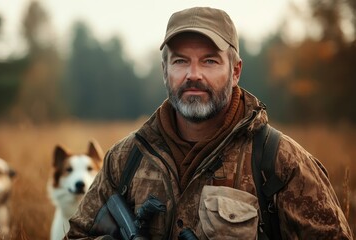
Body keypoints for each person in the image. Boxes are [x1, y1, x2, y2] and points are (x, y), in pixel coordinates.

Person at [65, 7, 353, 240]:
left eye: (210, 61)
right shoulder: (125, 159)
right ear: (165, 70)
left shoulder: (280, 162)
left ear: (236, 71)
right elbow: (77, 235)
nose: (193, 75)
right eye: (180, 61)